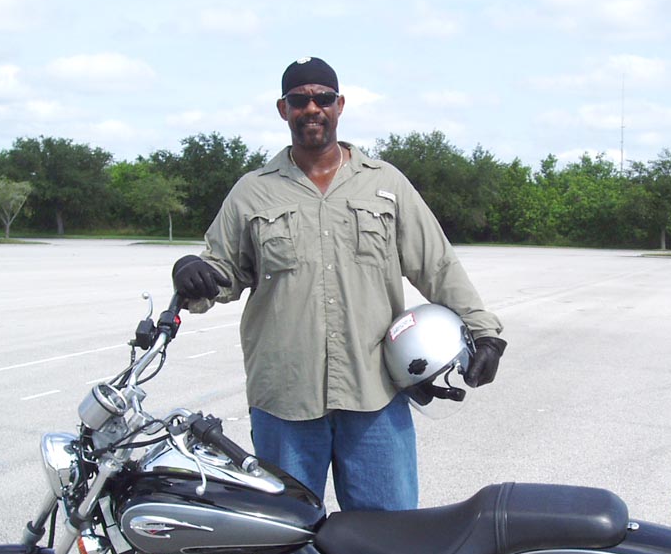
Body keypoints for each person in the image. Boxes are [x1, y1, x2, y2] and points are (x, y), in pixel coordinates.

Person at [171, 56, 505, 512]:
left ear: (339, 105)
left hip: (375, 394)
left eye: (322, 98)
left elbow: (437, 264)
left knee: (388, 537)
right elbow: (222, 270)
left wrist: (484, 331)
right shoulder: (252, 191)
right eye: (299, 100)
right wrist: (191, 272)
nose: (312, 108)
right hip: (285, 398)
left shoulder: (385, 184)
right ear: (283, 109)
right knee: (283, 535)